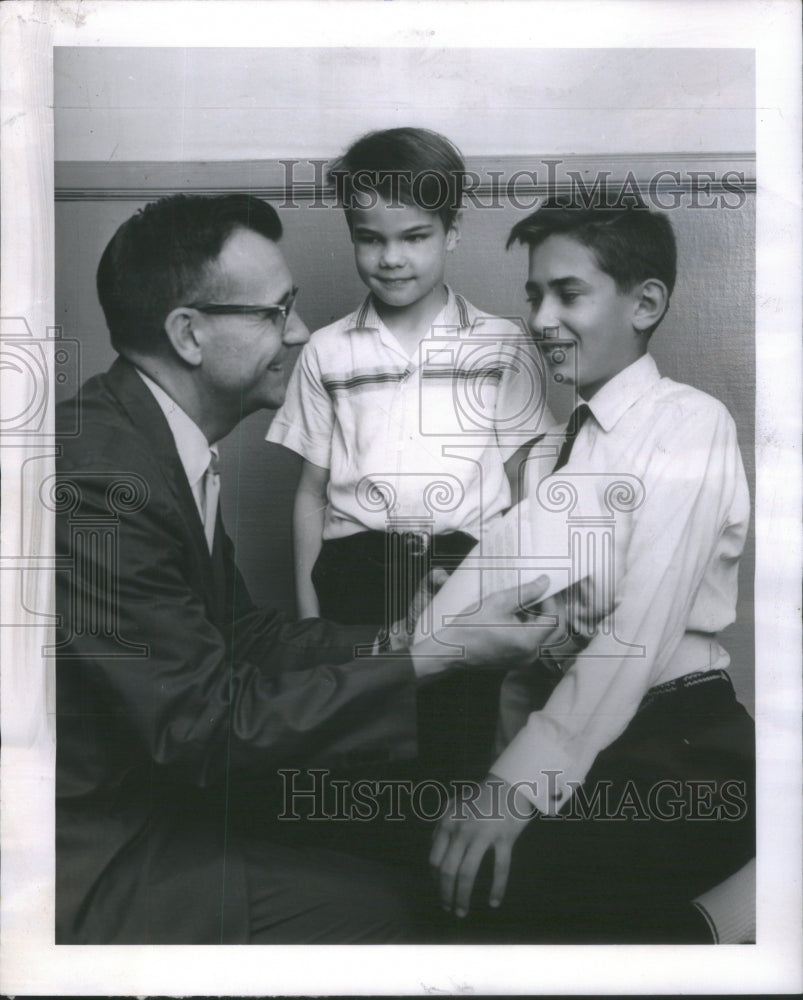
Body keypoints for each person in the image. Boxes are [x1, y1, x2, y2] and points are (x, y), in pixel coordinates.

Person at [54, 192, 560, 945]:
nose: (296, 331)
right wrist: (435, 654)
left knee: (398, 840)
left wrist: (407, 633)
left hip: (161, 794)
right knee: (393, 907)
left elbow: (244, 637)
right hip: (94, 852)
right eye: (274, 312)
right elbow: (203, 724)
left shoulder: (149, 438)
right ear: (188, 334)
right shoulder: (103, 482)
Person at [429, 200, 756, 943]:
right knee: (471, 875)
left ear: (645, 303)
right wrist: (496, 770)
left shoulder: (688, 422)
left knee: (545, 894)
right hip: (584, 727)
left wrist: (516, 787)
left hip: (681, 736)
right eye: (532, 295)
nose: (541, 318)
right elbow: (528, 650)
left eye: (566, 293)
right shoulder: (547, 454)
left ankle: (729, 918)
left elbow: (639, 629)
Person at [267, 127, 543, 632]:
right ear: (352, 235)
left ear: (452, 230)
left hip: (470, 568)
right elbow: (311, 494)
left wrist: (519, 589)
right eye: (371, 239)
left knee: (460, 710)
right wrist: (310, 621)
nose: (391, 258)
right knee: (360, 706)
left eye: (414, 237)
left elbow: (528, 480)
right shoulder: (326, 351)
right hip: (354, 573)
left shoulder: (502, 344)